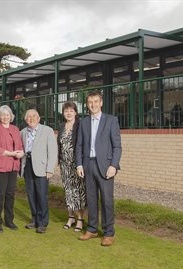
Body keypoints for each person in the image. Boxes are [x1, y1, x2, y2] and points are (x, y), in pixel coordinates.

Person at [75, 91, 122, 247]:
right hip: (88, 165)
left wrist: (114, 165)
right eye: (90, 102)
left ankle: (109, 233)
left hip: (106, 167)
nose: (93, 104)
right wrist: (79, 164)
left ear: (101, 103)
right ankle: (92, 229)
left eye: (96, 101)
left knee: (107, 201)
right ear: (87, 104)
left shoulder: (111, 120)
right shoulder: (83, 122)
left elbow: (117, 146)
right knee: (91, 200)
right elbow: (79, 145)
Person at [20, 109, 58, 234]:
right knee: (31, 195)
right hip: (28, 165)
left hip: (42, 167)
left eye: (34, 116)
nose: (31, 118)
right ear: (26, 120)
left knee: (41, 195)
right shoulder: (22, 132)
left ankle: (42, 222)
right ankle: (35, 219)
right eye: (29, 117)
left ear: (39, 118)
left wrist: (50, 169)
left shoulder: (47, 131)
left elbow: (52, 151)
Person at [0, 105, 24, 233]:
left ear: (11, 116)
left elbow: (20, 146)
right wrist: (11, 153)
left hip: (13, 167)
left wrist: (21, 153)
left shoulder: (15, 129)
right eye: (2, 115)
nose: (5, 117)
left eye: (7, 114)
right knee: (0, 194)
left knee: (10, 194)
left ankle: (9, 220)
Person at [57, 101, 86, 232]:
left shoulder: (80, 125)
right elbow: (60, 145)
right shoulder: (62, 126)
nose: (68, 113)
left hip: (77, 165)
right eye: (66, 111)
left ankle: (80, 219)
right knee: (68, 191)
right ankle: (71, 217)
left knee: (79, 192)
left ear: (75, 112)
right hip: (65, 165)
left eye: (71, 111)